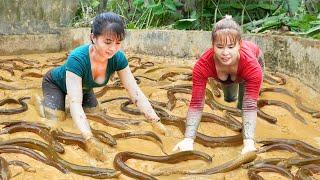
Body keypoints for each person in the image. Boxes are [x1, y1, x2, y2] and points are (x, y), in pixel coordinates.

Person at [39, 12, 167, 161]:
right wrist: (89, 139)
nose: (113, 48)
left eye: (118, 43)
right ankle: (41, 104)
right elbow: (74, 103)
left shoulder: (118, 58)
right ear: (93, 37)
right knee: (57, 118)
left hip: (85, 88)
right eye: (107, 42)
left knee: (95, 114)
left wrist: (155, 121)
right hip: (55, 84)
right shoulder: (77, 58)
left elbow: (135, 92)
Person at [173, 15, 264, 154]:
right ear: (212, 45)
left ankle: (247, 137)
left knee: (244, 104)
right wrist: (188, 139)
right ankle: (232, 97)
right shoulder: (202, 65)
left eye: (231, 46)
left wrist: (249, 143)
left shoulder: (252, 66)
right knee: (229, 98)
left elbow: (250, 105)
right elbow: (196, 103)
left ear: (240, 44)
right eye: (220, 46)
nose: (225, 53)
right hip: (227, 76)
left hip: (248, 68)